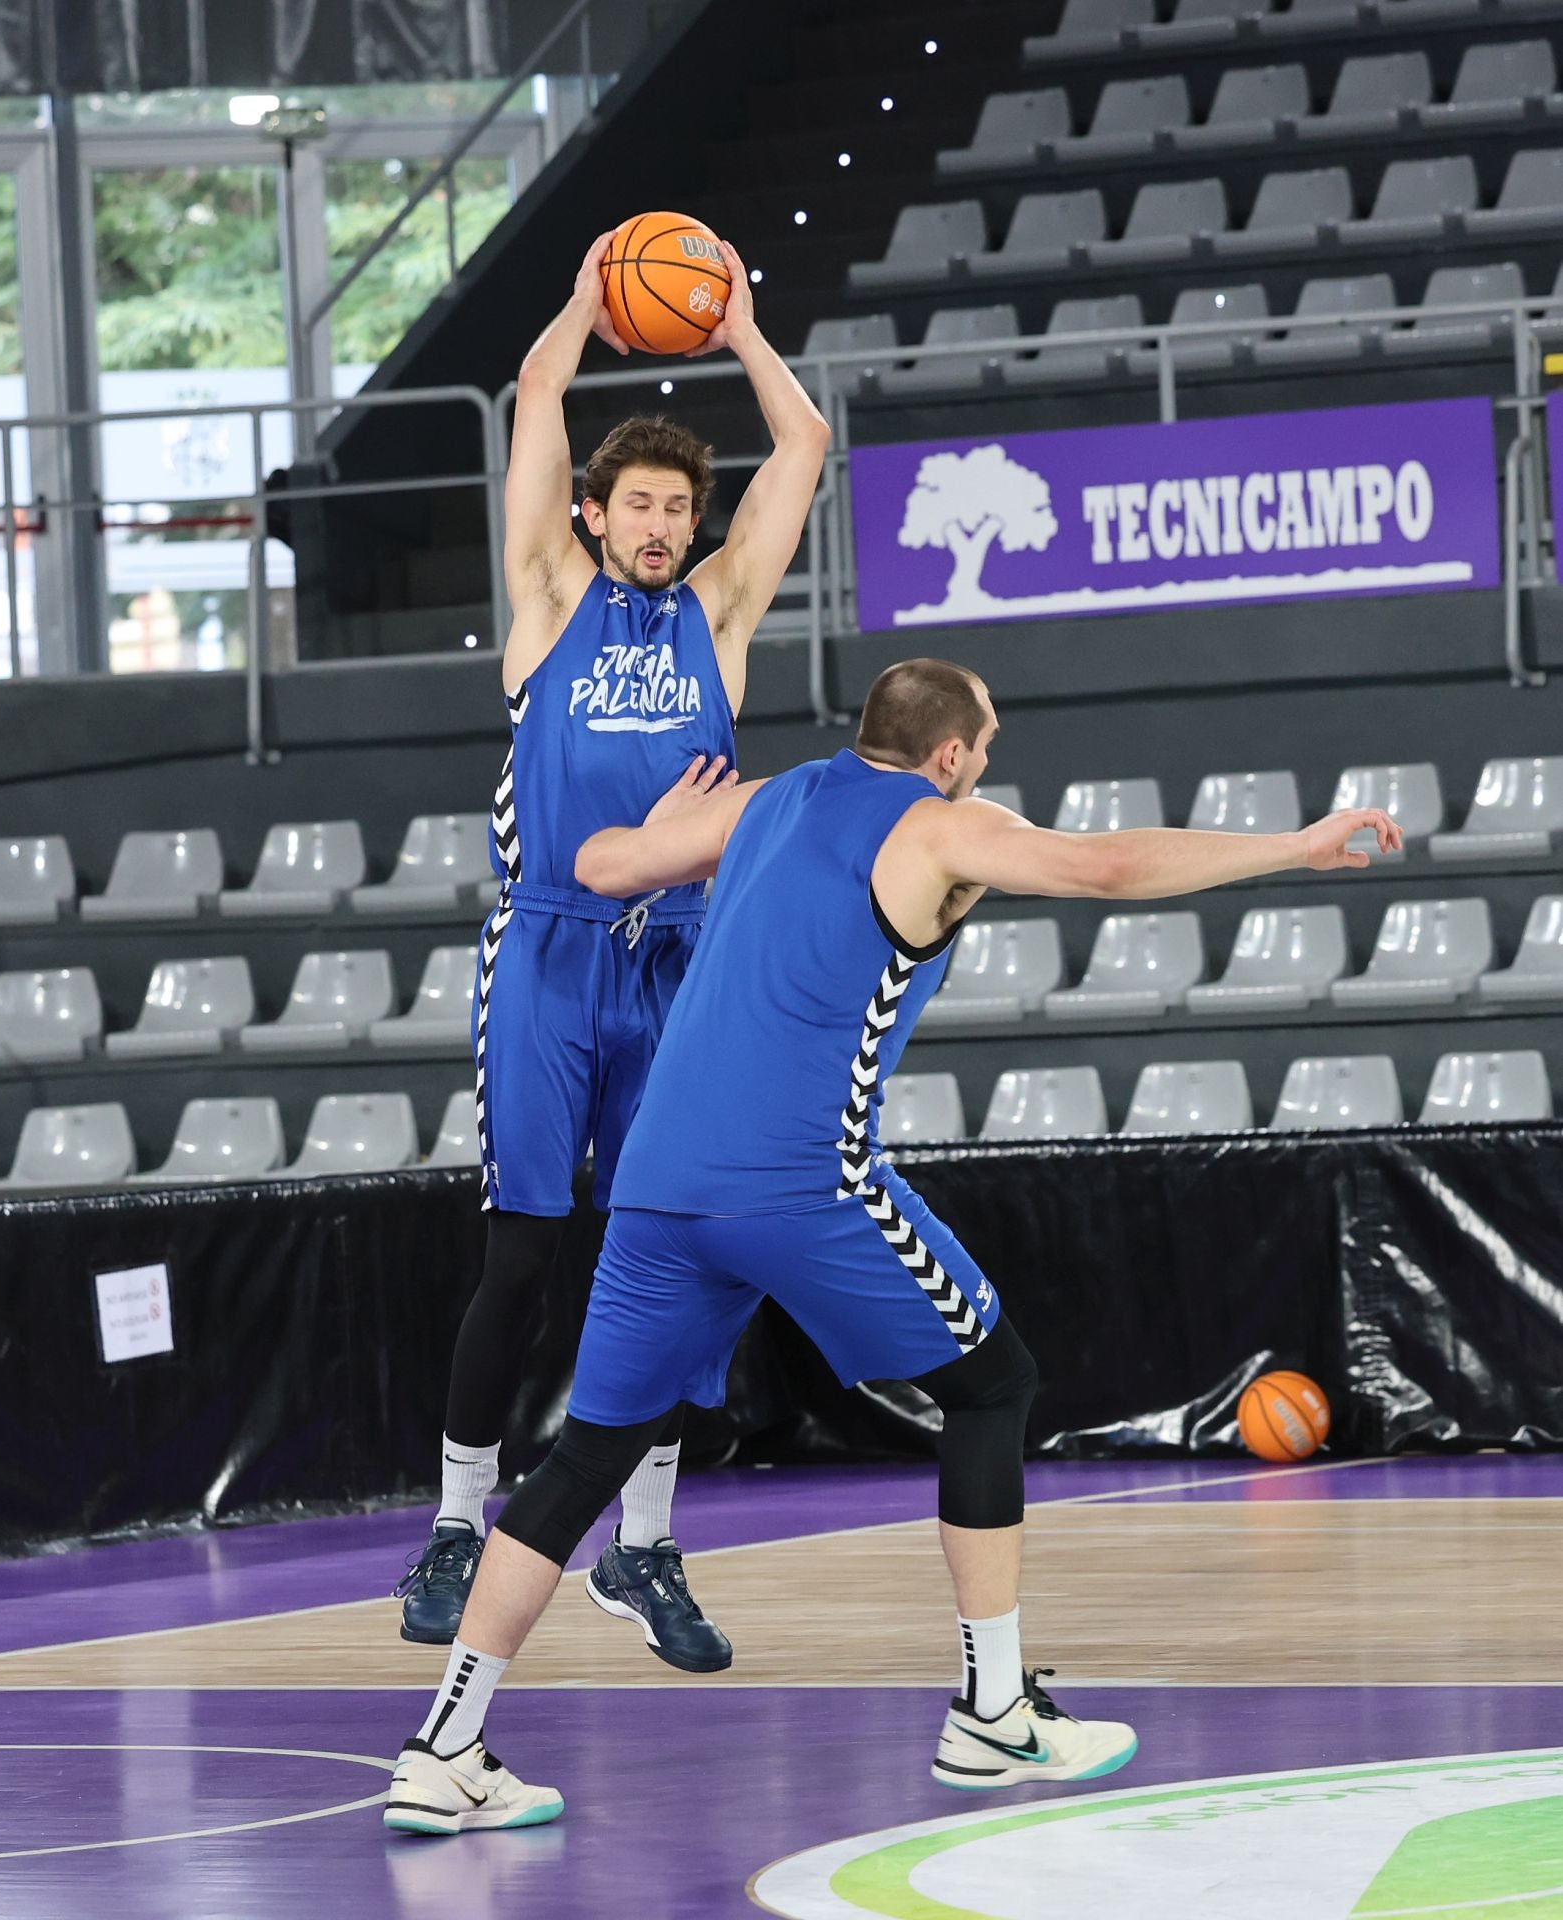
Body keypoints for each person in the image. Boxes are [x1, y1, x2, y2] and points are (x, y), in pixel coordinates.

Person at [383, 657, 1404, 1833]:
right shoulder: (941, 829)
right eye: (989, 738)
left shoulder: (768, 800)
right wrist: (1299, 843)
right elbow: (1105, 866)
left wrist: (668, 829)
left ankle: (444, 1746)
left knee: (581, 1463)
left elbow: (600, 864)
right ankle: (992, 1712)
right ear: (953, 753)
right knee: (995, 1384)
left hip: (656, 1186)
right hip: (797, 1180)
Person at [393, 227, 831, 1670]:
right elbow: (532, 402)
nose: (656, 526)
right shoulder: (546, 604)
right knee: (522, 1258)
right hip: (549, 957)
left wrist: (743, 329)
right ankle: (460, 1521)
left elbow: (806, 441)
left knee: (671, 1262)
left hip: (679, 962)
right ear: (590, 515)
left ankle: (641, 1547)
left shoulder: (720, 612)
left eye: (674, 509)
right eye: (634, 504)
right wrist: (584, 308)